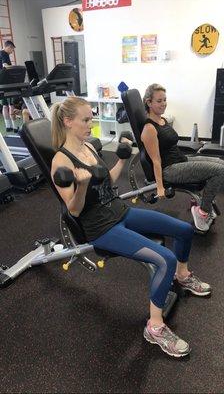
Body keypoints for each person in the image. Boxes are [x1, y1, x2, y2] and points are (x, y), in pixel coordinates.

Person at [50, 96, 211, 358]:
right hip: (101, 228)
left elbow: (106, 180)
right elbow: (74, 210)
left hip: (120, 211)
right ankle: (155, 327)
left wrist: (122, 161)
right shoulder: (61, 161)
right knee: (164, 259)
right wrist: (80, 186)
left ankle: (183, 274)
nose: (91, 125)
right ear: (68, 122)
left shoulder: (88, 147)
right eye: (86, 120)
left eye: (92, 118)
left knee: (183, 229)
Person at [142, 83, 224, 232]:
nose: (164, 104)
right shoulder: (149, 129)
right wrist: (160, 187)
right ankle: (203, 213)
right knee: (220, 171)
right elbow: (156, 160)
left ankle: (202, 201)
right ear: (149, 102)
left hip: (181, 160)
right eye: (159, 101)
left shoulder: (162, 120)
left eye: (165, 100)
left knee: (220, 163)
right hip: (170, 169)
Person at [0, 40, 21, 133]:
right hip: (7, 83)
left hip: (1, 83)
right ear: (8, 47)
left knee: (4, 106)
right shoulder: (4, 53)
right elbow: (5, 66)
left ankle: (8, 127)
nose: (12, 52)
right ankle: (15, 127)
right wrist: (16, 68)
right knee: (11, 105)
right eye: (12, 50)